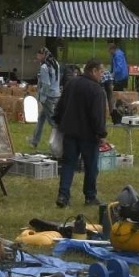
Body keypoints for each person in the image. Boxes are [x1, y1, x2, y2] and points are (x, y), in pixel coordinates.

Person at [54, 58, 108, 208]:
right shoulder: (97, 90)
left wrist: (58, 123)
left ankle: (63, 195)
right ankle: (90, 196)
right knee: (91, 167)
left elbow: (60, 105)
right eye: (101, 72)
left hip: (70, 132)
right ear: (94, 70)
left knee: (68, 164)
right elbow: (98, 115)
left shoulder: (71, 83)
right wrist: (101, 134)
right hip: (88, 135)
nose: (102, 75)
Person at [31, 46, 62, 150]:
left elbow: (46, 84)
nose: (37, 56)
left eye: (39, 54)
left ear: (44, 55)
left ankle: (58, 143)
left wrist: (42, 97)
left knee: (53, 122)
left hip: (48, 97)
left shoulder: (44, 67)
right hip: (56, 94)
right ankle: (34, 140)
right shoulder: (55, 63)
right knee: (41, 118)